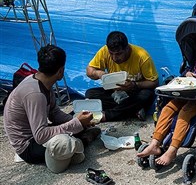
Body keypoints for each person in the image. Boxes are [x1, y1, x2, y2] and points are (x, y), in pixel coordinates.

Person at [4, 44, 101, 173]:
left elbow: (54, 113)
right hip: (28, 146)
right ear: (60, 71)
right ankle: (82, 141)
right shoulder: (35, 94)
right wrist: (77, 123)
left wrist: (77, 120)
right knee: (65, 143)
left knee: (75, 118)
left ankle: (79, 139)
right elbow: (40, 135)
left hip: (37, 132)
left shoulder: (41, 81)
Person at [138, 34, 196, 166]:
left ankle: (172, 150)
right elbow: (189, 67)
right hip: (187, 89)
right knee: (167, 108)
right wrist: (187, 73)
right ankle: (155, 143)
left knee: (184, 113)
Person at [85, 31, 159, 122]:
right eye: (111, 54)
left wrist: (134, 85)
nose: (114, 58)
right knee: (90, 94)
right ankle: (133, 109)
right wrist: (99, 74)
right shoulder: (104, 51)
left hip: (135, 92)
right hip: (116, 93)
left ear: (127, 48)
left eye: (119, 54)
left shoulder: (142, 56)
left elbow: (154, 82)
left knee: (146, 95)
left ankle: (108, 115)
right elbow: (89, 71)